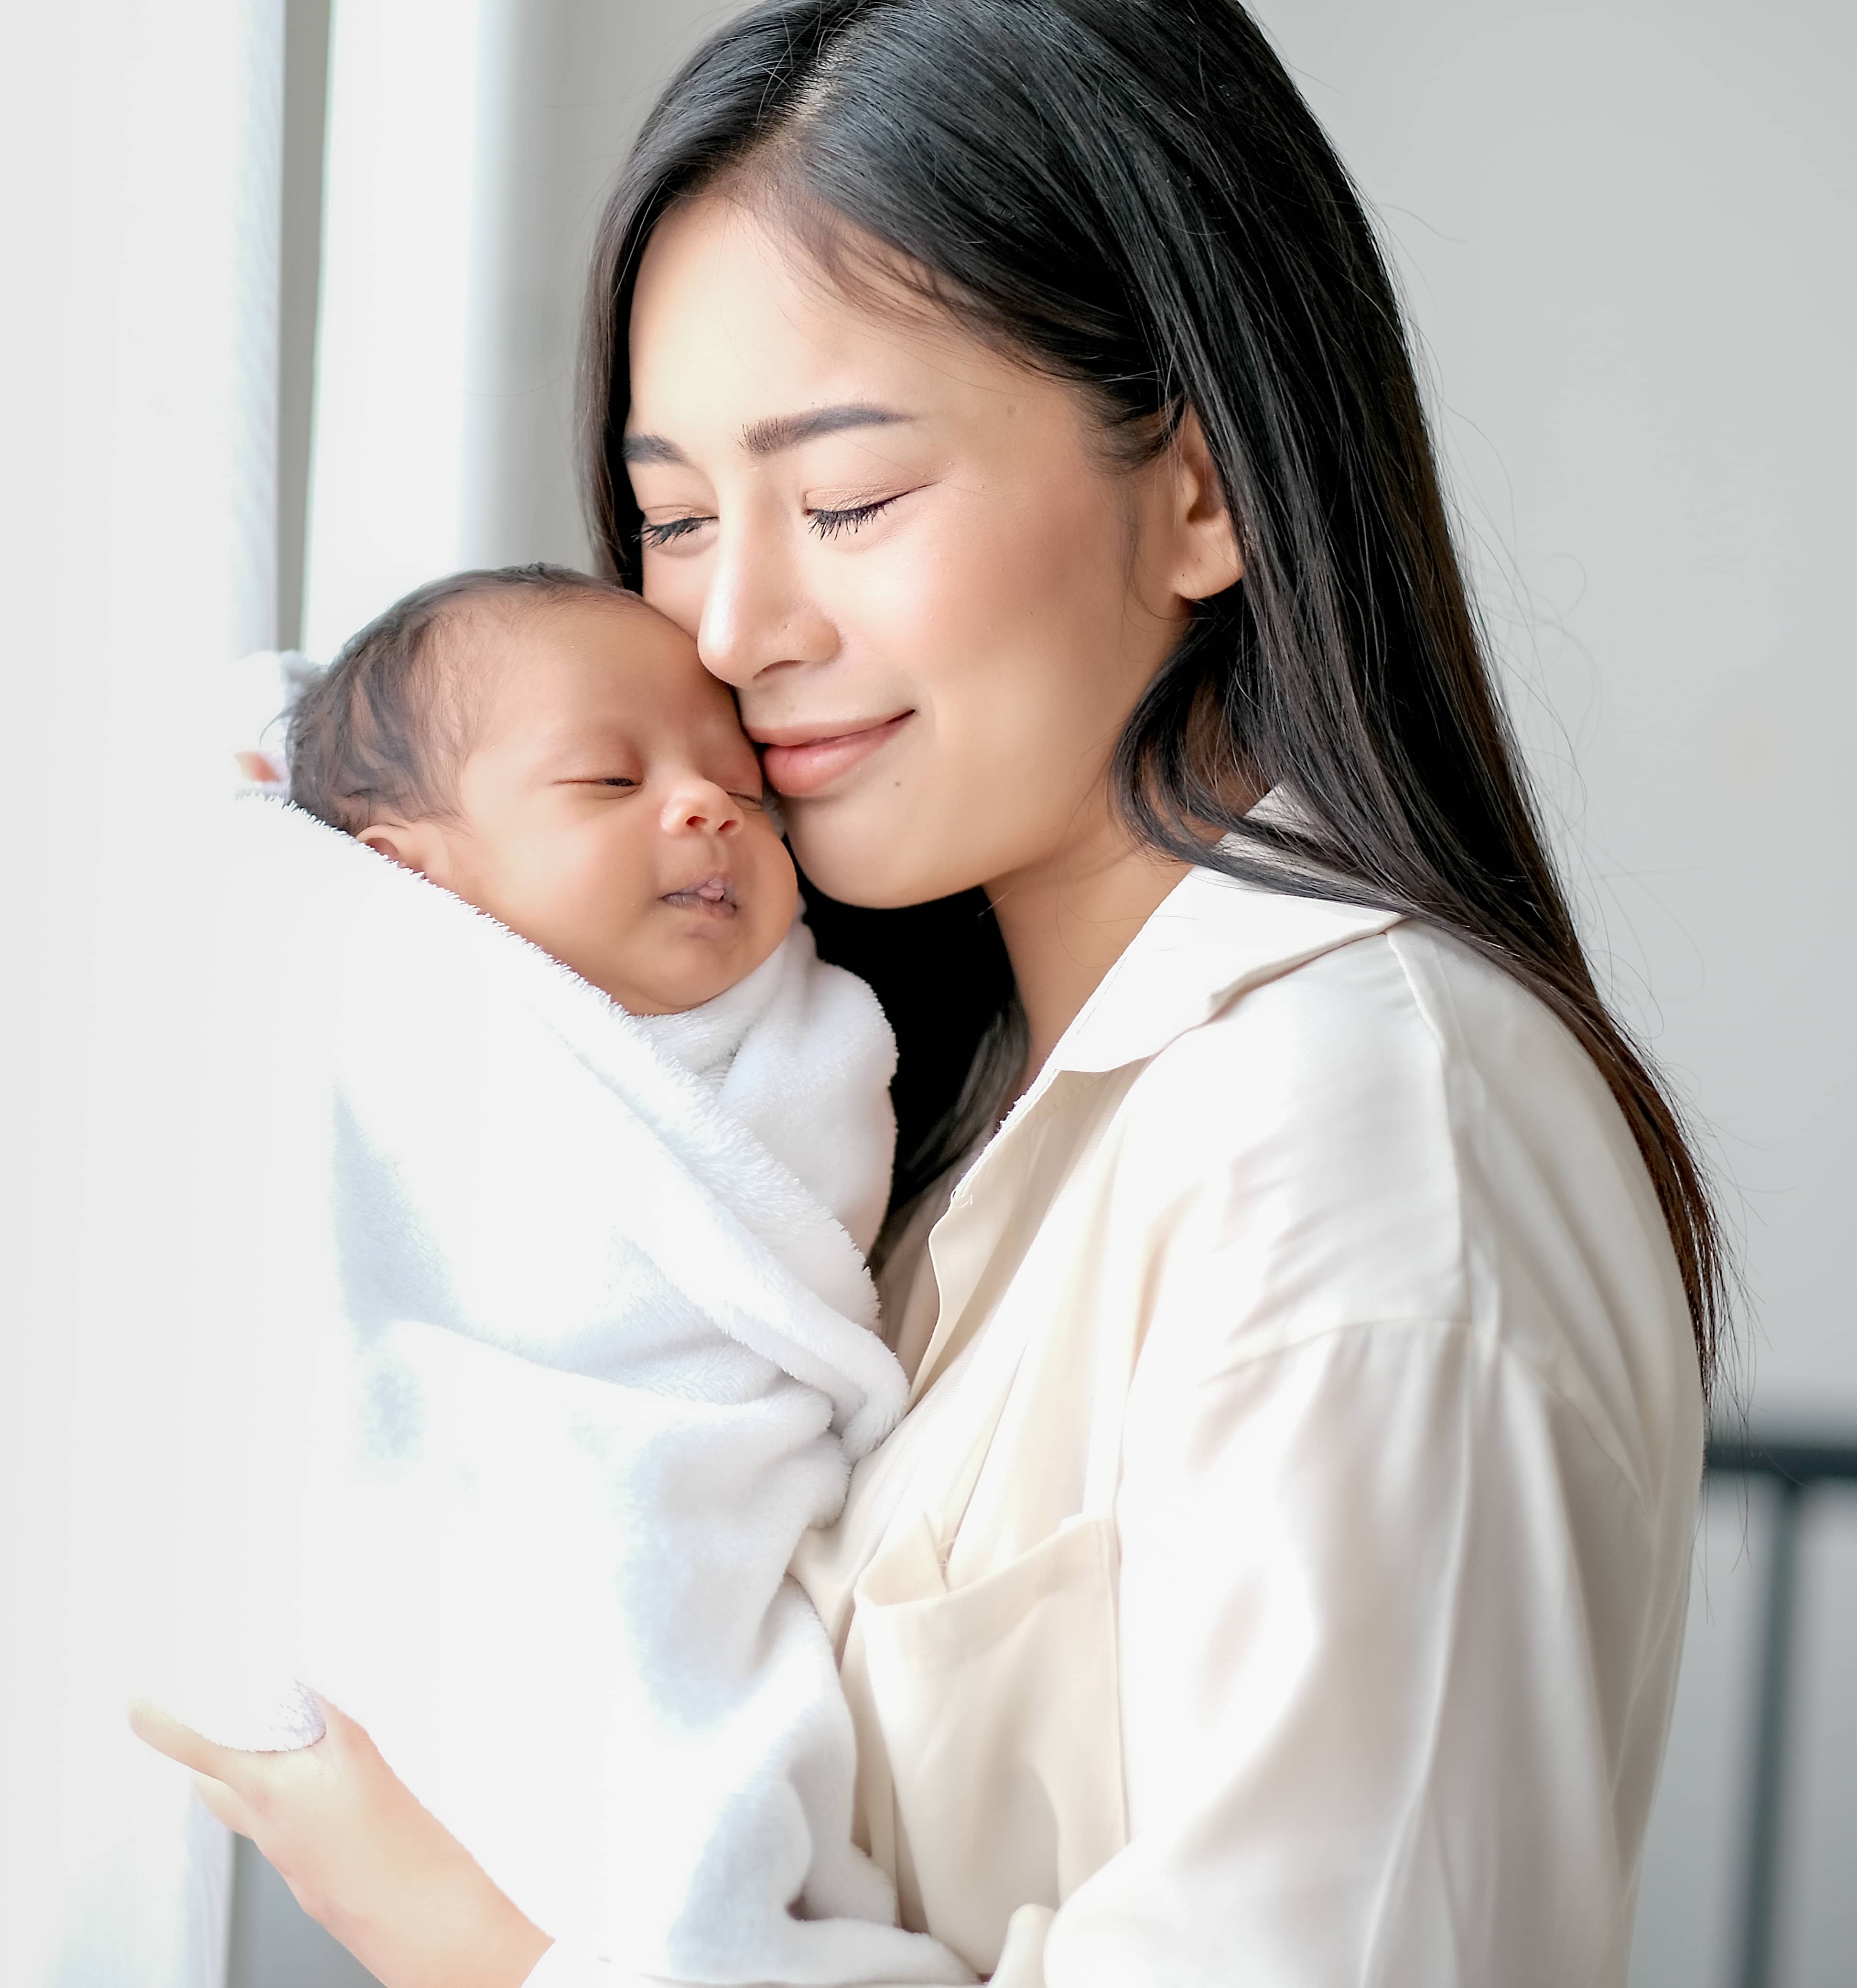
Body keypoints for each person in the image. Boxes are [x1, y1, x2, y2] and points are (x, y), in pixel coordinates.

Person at [140, 2, 1722, 1983]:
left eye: (853, 499)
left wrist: (494, 1951)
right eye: (680, 516)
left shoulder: (1358, 1121)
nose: (731, 624)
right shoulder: (913, 1113)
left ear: (1205, 493)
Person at [140, 565, 970, 1983]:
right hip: (470, 1498)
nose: (707, 805)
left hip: (661, 1491)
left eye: (741, 786)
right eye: (606, 780)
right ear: (411, 875)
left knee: (689, 1769)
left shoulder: (791, 1033)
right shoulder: (385, 981)